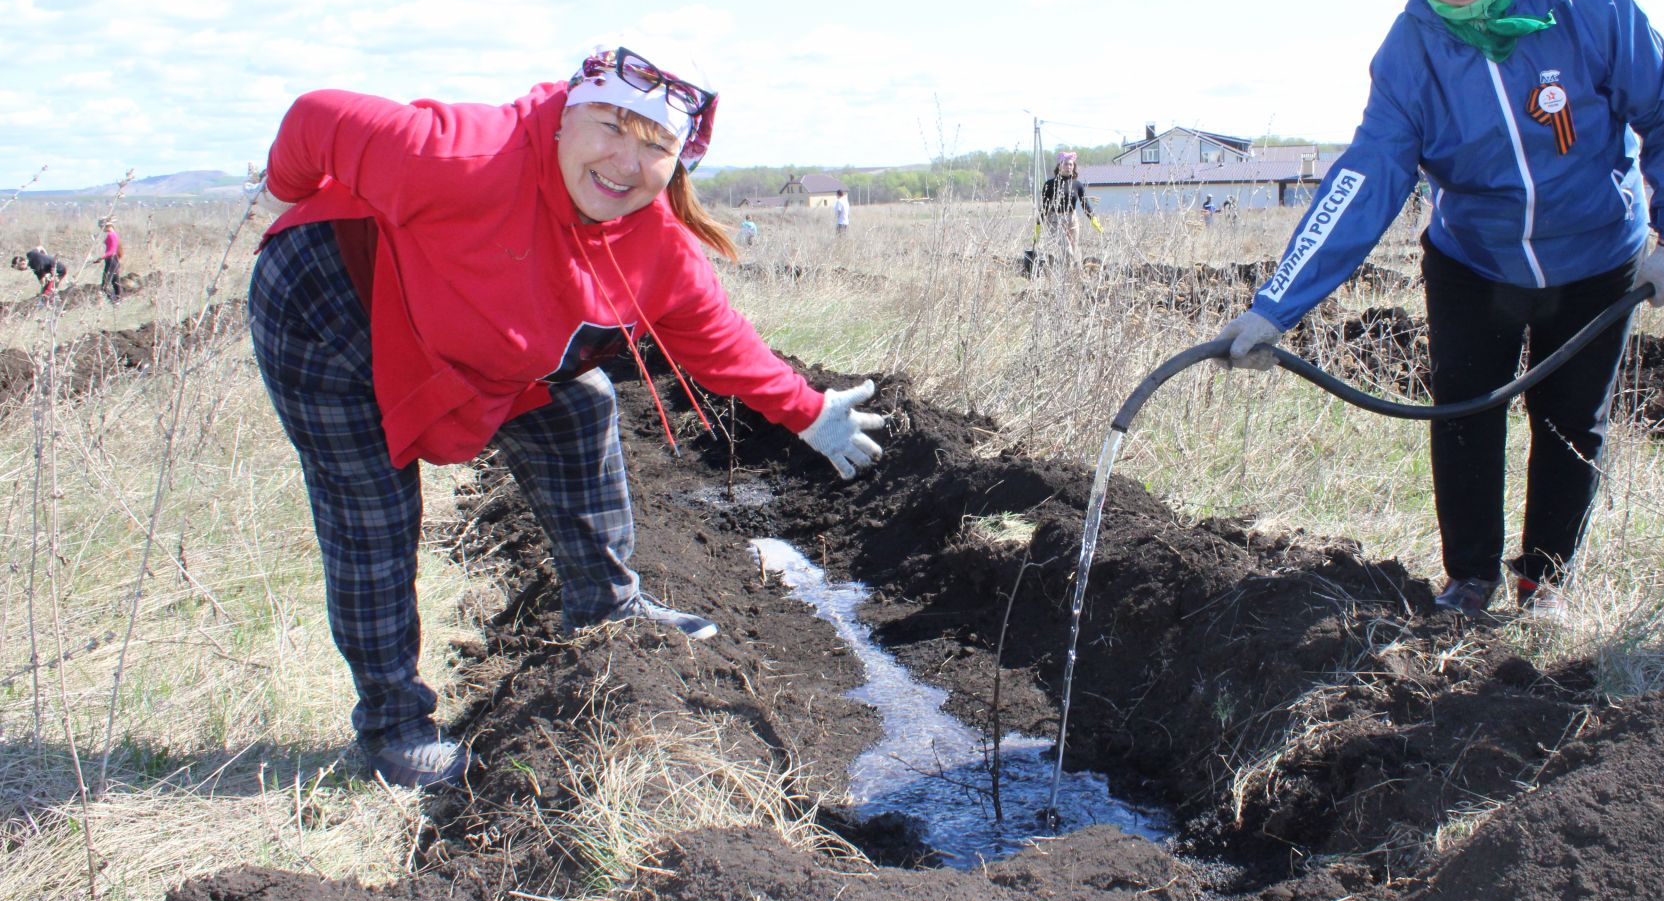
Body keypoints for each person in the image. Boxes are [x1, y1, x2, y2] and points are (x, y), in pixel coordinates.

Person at [249, 45, 887, 789]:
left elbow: (719, 345)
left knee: (582, 405)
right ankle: (394, 727)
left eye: (655, 145)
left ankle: (608, 609)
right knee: (373, 513)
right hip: (335, 300)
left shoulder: (658, 248)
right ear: (565, 117)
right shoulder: (461, 155)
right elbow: (313, 117)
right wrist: (285, 190)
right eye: (611, 125)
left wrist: (810, 413)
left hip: (478, 329)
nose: (625, 160)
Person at [1211, 0, 1664, 621]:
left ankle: (1546, 581)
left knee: (1572, 420)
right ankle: (1469, 579)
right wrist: (1277, 305)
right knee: (1465, 413)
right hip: (1475, 261)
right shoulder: (1409, 53)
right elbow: (1369, 177)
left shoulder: (1588, 5)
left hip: (1596, 255)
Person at [1037, 150, 1097, 262]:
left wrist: (1094, 220)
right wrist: (1038, 225)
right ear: (1059, 166)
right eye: (1065, 164)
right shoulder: (1050, 185)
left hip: (1072, 220)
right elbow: (1044, 207)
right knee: (1067, 251)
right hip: (1055, 220)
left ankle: (1071, 275)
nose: (1068, 167)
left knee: (1074, 253)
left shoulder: (1077, 185)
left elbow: (1085, 205)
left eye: (1071, 164)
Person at [86, 221, 123, 302]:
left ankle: (114, 301)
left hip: (111, 261)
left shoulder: (111, 235)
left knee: (104, 286)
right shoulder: (114, 234)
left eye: (101, 227)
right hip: (114, 261)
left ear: (107, 226)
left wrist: (101, 257)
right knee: (116, 283)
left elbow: (112, 250)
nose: (101, 229)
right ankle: (118, 301)